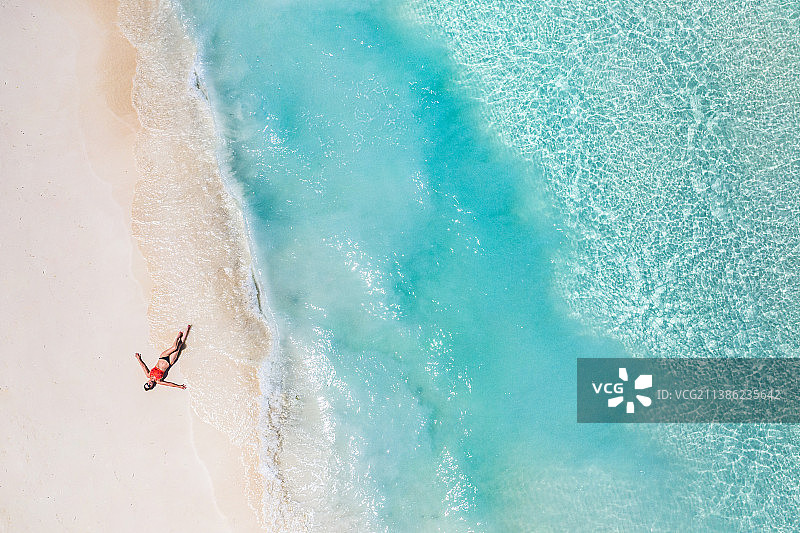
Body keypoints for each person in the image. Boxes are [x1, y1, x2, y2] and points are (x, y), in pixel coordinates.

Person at [135, 325, 191, 391]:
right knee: (180, 345)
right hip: (170, 361)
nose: (149, 383)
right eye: (149, 385)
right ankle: (187, 329)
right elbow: (169, 384)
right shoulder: (159, 381)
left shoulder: (148, 375)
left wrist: (138, 358)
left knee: (174, 348)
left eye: (147, 384)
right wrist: (179, 386)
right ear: (152, 386)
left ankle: (177, 337)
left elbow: (143, 366)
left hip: (162, 357)